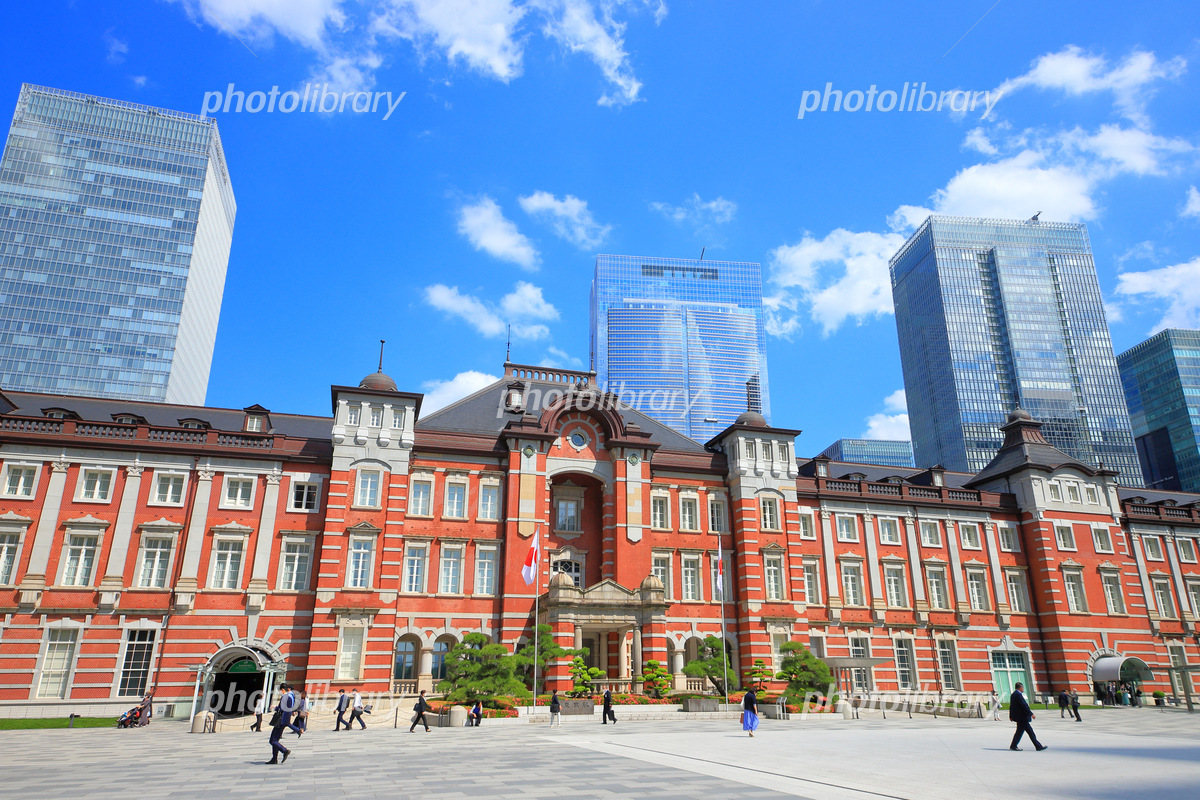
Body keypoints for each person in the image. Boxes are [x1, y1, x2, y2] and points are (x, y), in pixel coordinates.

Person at [1008, 682, 1046, 752]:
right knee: (1030, 732)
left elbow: (1011, 706)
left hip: (1019, 717)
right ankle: (1038, 746)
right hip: (1022, 717)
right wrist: (1031, 714)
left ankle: (1013, 745)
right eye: (1022, 688)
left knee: (1020, 732)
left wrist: (1011, 716)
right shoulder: (1018, 695)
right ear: (1021, 688)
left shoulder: (1013, 694)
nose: (1023, 689)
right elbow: (1024, 705)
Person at [267, 684, 296, 765]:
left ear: (283, 690)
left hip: (281, 721)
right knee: (274, 740)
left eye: (280, 690)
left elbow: (284, 709)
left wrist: (275, 707)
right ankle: (274, 758)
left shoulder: (286, 697)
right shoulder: (288, 697)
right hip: (282, 721)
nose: (279, 692)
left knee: (273, 740)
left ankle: (284, 751)